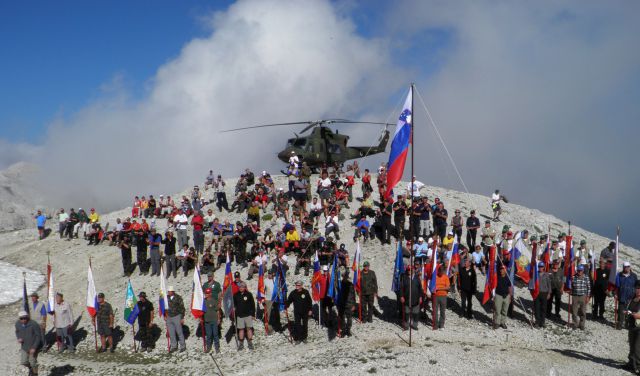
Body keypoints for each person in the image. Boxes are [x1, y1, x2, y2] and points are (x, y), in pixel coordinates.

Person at [15, 310, 41, 376]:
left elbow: (39, 336)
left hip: (33, 347)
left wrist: (34, 347)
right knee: (23, 362)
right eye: (21, 318)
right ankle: (31, 369)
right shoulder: (17, 324)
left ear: (27, 317)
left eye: (25, 318)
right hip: (24, 347)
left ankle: (35, 373)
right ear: (19, 318)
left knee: (33, 362)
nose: (23, 320)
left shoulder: (33, 324)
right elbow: (17, 331)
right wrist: (19, 337)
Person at [233, 282, 256, 350]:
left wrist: (253, 314)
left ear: (245, 287)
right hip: (239, 315)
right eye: (240, 287)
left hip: (248, 315)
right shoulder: (235, 295)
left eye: (242, 287)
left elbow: (253, 305)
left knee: (249, 328)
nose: (241, 288)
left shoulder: (249, 294)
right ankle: (241, 343)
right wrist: (234, 307)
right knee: (241, 329)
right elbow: (234, 304)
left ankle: (250, 342)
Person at [400, 266, 423, 330]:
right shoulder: (404, 278)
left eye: (410, 270)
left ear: (413, 270)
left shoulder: (417, 278)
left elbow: (420, 288)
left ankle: (415, 325)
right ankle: (406, 325)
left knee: (416, 313)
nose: (409, 271)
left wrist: (420, 297)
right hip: (407, 299)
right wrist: (401, 296)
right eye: (408, 270)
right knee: (406, 313)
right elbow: (401, 288)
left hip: (416, 299)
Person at [624, 281, 640, 373]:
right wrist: (627, 312)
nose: (638, 290)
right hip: (632, 325)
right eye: (637, 288)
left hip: (639, 327)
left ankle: (638, 367)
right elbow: (629, 308)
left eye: (639, 288)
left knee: (638, 348)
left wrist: (637, 316)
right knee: (631, 346)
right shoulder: (633, 298)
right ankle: (631, 364)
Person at [617, 261, 638, 330]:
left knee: (629, 312)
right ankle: (620, 324)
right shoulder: (619, 275)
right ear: (623, 267)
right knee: (621, 311)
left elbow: (636, 286)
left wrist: (636, 294)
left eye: (628, 267)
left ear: (630, 267)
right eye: (625, 267)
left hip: (631, 297)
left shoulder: (634, 276)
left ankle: (627, 325)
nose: (627, 268)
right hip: (622, 296)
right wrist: (615, 294)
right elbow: (617, 286)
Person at [166, 286, 186, 352]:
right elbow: (164, 306)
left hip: (177, 316)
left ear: (173, 292)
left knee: (179, 332)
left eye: (169, 291)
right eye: (168, 291)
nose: (168, 292)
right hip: (169, 316)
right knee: (171, 333)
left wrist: (182, 317)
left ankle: (183, 346)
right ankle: (174, 346)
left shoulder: (178, 298)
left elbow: (182, 308)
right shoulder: (166, 298)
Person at [571, 265, 591, 330]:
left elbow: (589, 288)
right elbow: (570, 286)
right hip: (575, 296)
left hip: (583, 296)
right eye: (578, 270)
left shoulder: (586, 277)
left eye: (581, 271)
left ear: (583, 271)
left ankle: (582, 324)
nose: (579, 272)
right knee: (574, 311)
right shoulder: (573, 277)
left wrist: (588, 296)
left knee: (583, 311)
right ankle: (575, 324)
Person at [337, 272, 356, 337]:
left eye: (346, 276)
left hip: (349, 304)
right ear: (342, 277)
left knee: (349, 319)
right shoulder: (339, 285)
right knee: (342, 318)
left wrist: (354, 304)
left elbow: (353, 295)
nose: (345, 277)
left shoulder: (351, 284)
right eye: (344, 276)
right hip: (341, 304)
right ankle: (343, 331)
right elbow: (337, 295)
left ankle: (348, 331)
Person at [203, 288, 221, 353]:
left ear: (210, 294)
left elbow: (217, 311)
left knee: (215, 334)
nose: (206, 294)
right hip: (207, 320)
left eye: (207, 293)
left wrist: (218, 319)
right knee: (208, 335)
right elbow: (201, 311)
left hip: (214, 320)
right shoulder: (203, 301)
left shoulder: (214, 301)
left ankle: (217, 347)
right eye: (206, 293)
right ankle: (208, 347)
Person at [535, 262, 552, 328]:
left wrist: (549, 293)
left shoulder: (547, 275)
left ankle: (543, 322)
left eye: (541, 267)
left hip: (544, 293)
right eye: (539, 267)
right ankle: (537, 322)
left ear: (544, 267)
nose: (540, 268)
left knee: (543, 308)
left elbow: (549, 285)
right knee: (537, 308)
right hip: (537, 293)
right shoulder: (536, 274)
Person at [434, 264, 450, 328]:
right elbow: (433, 286)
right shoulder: (435, 277)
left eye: (442, 271)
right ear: (438, 271)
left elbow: (448, 287)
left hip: (443, 296)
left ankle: (441, 325)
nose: (441, 272)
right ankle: (435, 325)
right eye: (440, 271)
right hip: (436, 296)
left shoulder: (446, 277)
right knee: (435, 311)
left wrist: (438, 288)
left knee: (442, 311)